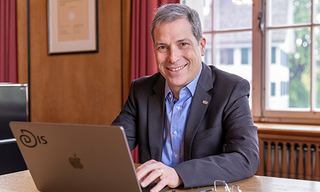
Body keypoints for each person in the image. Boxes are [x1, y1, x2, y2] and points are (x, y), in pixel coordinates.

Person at [112, 3, 259, 192]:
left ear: (201, 46)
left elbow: (246, 158)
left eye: (183, 44)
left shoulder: (231, 89)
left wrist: (178, 174)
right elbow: (112, 148)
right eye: (163, 47)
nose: (173, 57)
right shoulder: (141, 89)